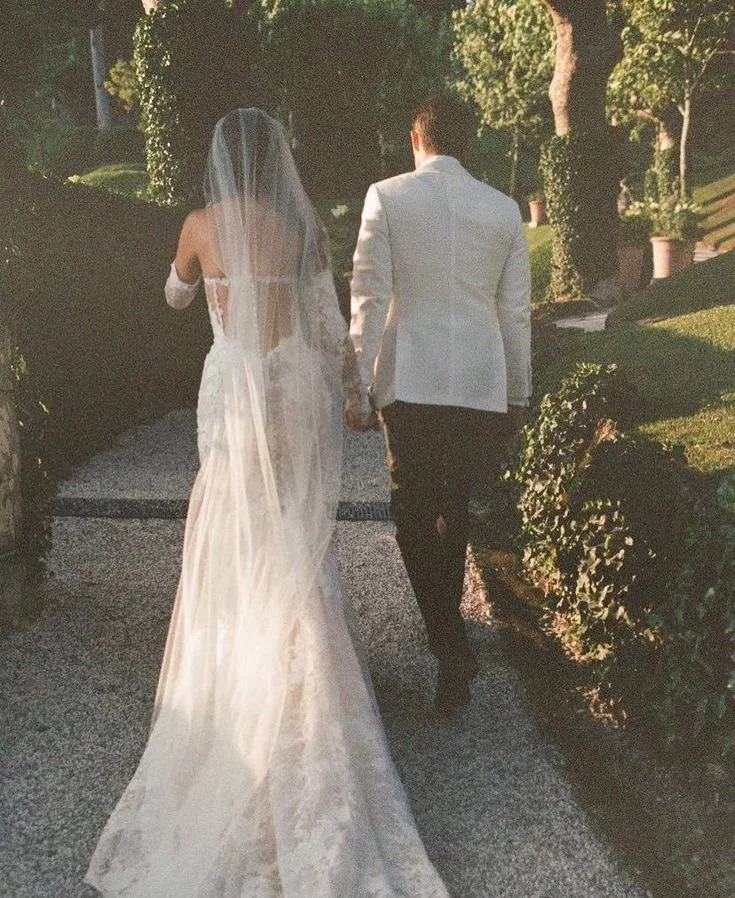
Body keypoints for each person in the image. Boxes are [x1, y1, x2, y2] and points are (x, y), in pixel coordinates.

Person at [85, 108, 449, 897]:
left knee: (236, 525)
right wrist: (354, 395)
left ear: (220, 160)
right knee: (296, 529)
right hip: (291, 386)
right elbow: (326, 324)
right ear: (275, 160)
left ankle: (239, 679)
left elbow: (175, 297)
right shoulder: (299, 227)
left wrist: (200, 275)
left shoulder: (198, 225)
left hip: (235, 385)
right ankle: (310, 678)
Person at [349, 94, 532, 716]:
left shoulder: (386, 197)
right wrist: (518, 392)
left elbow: (370, 297)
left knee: (410, 512)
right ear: (466, 142)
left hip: (412, 380)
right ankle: (449, 642)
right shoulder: (503, 210)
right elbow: (514, 313)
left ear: (415, 139)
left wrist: (358, 383)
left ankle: (449, 642)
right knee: (453, 508)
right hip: (478, 384)